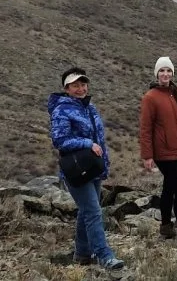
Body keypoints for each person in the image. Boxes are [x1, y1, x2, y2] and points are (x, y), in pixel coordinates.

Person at [47, 67, 125, 270]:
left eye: (83, 84)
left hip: (94, 167)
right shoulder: (61, 110)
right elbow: (60, 140)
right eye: (75, 85)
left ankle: (81, 253)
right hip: (75, 169)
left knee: (86, 211)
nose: (80, 88)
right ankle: (104, 255)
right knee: (93, 211)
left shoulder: (89, 107)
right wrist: (86, 143)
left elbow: (99, 138)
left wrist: (103, 162)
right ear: (66, 88)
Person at [139, 56, 177, 239]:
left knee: (170, 187)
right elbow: (145, 127)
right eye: (162, 71)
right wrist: (147, 155)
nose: (165, 74)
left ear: (172, 73)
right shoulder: (150, 97)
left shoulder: (176, 92)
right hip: (163, 151)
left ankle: (166, 226)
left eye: (168, 70)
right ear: (157, 74)